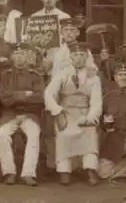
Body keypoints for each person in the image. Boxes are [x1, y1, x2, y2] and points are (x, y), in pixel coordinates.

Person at [44, 42, 103, 186]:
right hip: (65, 112)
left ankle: (90, 170)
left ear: (87, 57)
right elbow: (49, 94)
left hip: (84, 112)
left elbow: (96, 102)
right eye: (75, 55)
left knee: (90, 134)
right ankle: (64, 171)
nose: (79, 58)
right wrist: (58, 112)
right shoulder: (62, 74)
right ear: (70, 57)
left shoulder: (94, 77)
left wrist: (91, 117)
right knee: (63, 136)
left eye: (82, 55)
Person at [0, 42, 45, 186]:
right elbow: (4, 99)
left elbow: (39, 98)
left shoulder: (35, 76)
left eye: (23, 54)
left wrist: (15, 97)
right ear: (12, 56)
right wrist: (26, 94)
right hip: (9, 115)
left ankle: (28, 173)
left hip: (30, 115)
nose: (19, 57)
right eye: (16, 54)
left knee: (33, 134)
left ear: (29, 56)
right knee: (2, 134)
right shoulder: (5, 75)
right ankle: (9, 172)